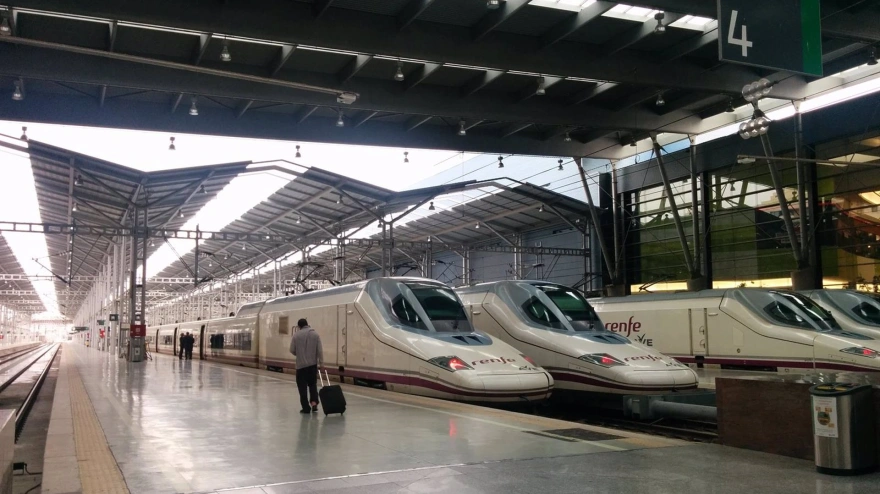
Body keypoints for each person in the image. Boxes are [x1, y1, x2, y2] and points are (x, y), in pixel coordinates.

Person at [290, 318, 323, 414]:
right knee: (313, 385)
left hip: (301, 367)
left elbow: (292, 349)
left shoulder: (296, 336)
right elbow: (320, 351)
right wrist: (322, 364)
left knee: (302, 388)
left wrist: (299, 354)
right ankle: (314, 403)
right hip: (312, 366)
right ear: (307, 324)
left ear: (299, 326)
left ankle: (306, 408)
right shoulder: (315, 335)